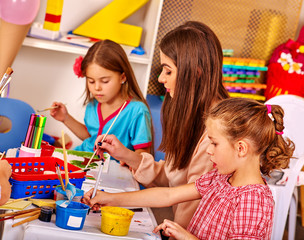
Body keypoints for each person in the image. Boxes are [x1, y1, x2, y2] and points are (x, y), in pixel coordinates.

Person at [83, 97, 295, 240]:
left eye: (214, 143)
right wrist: (109, 198)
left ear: (241, 148)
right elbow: (167, 195)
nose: (209, 151)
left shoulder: (253, 200)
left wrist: (187, 237)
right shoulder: (220, 179)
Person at [92, 21, 229, 229]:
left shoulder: (218, 131)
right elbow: (174, 177)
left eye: (168, 71)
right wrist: (126, 155)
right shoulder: (191, 113)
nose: (160, 78)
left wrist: (113, 199)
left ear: (196, 72)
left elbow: (184, 202)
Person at [50, 39, 153, 154]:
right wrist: (65, 118)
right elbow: (91, 137)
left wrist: (124, 158)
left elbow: (143, 154)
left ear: (122, 77)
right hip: (84, 158)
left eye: (104, 81)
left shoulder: (137, 111)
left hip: (111, 168)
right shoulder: (93, 105)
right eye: (91, 81)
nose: (97, 88)